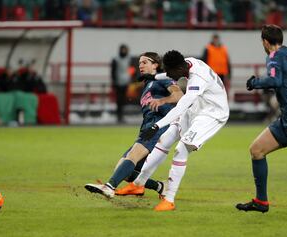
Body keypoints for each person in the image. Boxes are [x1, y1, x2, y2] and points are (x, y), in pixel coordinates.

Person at [133, 50, 230, 211]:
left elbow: (180, 108)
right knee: (165, 138)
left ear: (179, 69)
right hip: (199, 107)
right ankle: (138, 184)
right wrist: (154, 77)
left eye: (171, 73)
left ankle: (169, 200)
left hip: (212, 114)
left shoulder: (197, 80)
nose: (170, 76)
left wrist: (157, 125)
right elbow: (169, 73)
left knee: (181, 149)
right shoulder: (187, 62)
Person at [85, 52, 183, 198]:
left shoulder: (163, 79)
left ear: (155, 64)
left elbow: (179, 95)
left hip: (159, 126)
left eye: (145, 62)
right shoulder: (147, 85)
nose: (140, 65)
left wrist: (163, 101)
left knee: (132, 157)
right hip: (147, 127)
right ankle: (160, 186)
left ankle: (109, 187)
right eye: (139, 63)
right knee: (123, 168)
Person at [235, 24, 287, 213]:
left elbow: (274, 80)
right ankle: (261, 202)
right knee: (256, 150)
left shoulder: (274, 56)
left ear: (265, 41)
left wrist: (254, 82)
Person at [202, 33, 231, 98]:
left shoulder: (224, 49)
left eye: (217, 39)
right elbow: (204, 61)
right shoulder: (208, 48)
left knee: (221, 90)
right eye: (214, 39)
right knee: (212, 89)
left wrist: (229, 74)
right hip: (212, 74)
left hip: (222, 73)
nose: (216, 41)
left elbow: (227, 62)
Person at [111, 44, 132, 123]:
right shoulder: (116, 59)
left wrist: (130, 77)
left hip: (126, 82)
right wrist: (114, 81)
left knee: (123, 100)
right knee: (119, 100)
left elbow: (130, 69)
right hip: (118, 82)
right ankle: (119, 116)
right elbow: (113, 71)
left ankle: (121, 115)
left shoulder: (128, 59)